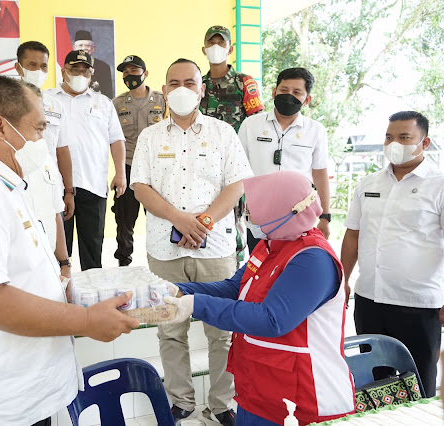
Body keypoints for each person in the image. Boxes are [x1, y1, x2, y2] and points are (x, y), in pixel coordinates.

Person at [0, 76, 138, 425]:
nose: (43, 140)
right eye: (38, 129)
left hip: (23, 385)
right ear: (0, 127)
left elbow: (23, 266)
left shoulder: (2, 179)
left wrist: (72, 291)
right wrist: (85, 320)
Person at [166, 171, 355, 426]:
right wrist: (179, 290)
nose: (248, 217)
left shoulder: (313, 260)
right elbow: (234, 288)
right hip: (259, 389)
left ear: (278, 211)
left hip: (303, 399)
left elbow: (272, 319)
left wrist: (196, 305)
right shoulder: (271, 245)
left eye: (253, 209)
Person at [131, 58, 253, 425]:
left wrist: (202, 222)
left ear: (202, 89)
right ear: (164, 90)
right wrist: (178, 219)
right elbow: (140, 187)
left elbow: (237, 184)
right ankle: (181, 400)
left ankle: (222, 404)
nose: (181, 88)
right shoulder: (151, 137)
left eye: (190, 82)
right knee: (170, 329)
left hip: (214, 247)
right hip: (164, 249)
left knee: (223, 333)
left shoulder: (223, 133)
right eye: (174, 82)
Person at [341, 111, 444, 398]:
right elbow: (353, 235)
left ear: (424, 143)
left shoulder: (439, 184)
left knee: (420, 382)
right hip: (370, 299)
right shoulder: (369, 184)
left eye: (403, 137)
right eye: (389, 137)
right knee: (372, 384)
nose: (393, 143)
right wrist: (343, 279)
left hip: (418, 304)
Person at [46, 50, 126, 271]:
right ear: (64, 71)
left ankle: (92, 300)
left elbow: (116, 139)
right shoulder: (47, 100)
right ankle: (61, 297)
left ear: (92, 74)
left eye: (85, 70)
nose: (80, 74)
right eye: (74, 70)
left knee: (92, 250)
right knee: (58, 251)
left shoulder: (103, 103)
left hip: (93, 184)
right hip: (56, 186)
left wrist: (120, 173)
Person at [238, 67, 331, 253]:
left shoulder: (316, 130)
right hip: (258, 217)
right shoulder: (251, 125)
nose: (289, 96)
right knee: (259, 268)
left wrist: (325, 217)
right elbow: (237, 169)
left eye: (297, 92)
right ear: (274, 92)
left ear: (307, 99)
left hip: (298, 217)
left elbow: (320, 173)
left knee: (292, 267)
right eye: (284, 90)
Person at [199, 25, 264, 267]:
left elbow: (257, 122)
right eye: (211, 42)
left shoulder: (243, 82)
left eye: (221, 43)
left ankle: (237, 271)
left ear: (231, 48)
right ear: (203, 48)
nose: (216, 47)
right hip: (203, 164)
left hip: (235, 165)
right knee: (208, 216)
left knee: (237, 222)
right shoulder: (200, 83)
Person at [111, 55, 165, 266]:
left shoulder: (162, 100)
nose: (129, 75)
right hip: (129, 167)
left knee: (158, 218)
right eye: (125, 72)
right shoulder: (117, 104)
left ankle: (159, 260)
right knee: (124, 220)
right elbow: (114, 139)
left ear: (145, 73)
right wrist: (118, 173)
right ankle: (124, 262)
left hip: (157, 169)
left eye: (134, 71)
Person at [15, 40, 75, 224]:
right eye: (32, 65)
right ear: (18, 67)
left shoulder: (55, 105)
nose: (38, 71)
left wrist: (69, 191)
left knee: (54, 243)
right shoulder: (3, 102)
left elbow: (62, 150)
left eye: (43, 66)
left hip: (50, 185)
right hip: (18, 185)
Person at [74, 30, 114, 99]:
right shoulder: (69, 67)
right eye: (80, 45)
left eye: (87, 45)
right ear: (74, 48)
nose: (84, 48)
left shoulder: (104, 67)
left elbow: (108, 97)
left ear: (93, 48)